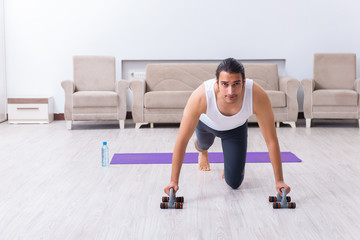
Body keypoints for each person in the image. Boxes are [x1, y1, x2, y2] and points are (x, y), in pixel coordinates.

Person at [164, 58, 291, 197]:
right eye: (225, 84)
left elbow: (271, 140)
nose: (231, 91)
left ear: (244, 81)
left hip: (235, 130)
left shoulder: (257, 96)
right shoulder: (200, 96)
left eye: (236, 84)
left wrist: (279, 181)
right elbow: (182, 141)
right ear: (217, 82)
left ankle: (229, 161)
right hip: (207, 125)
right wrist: (173, 181)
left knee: (234, 183)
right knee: (203, 143)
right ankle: (202, 151)